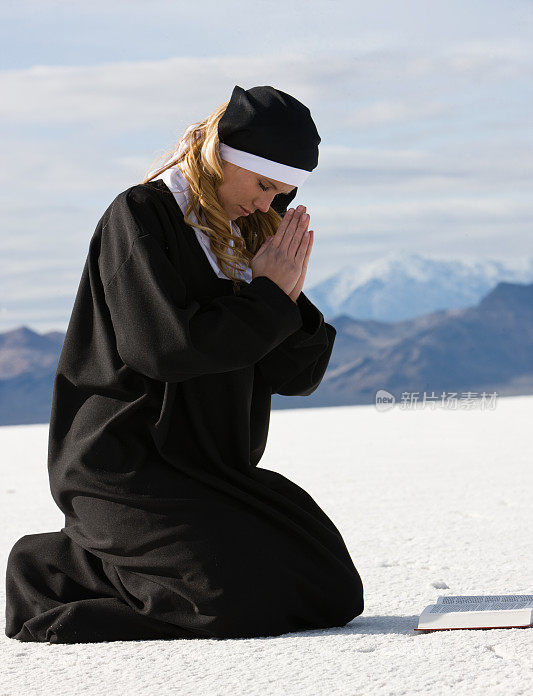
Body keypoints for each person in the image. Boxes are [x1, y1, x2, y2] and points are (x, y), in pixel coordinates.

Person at [4, 85, 364, 644]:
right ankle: (55, 567)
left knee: (331, 588)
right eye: (264, 185)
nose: (268, 204)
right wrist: (267, 297)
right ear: (222, 154)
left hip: (214, 469)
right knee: (226, 603)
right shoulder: (141, 214)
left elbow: (296, 376)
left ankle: (123, 560)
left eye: (282, 194)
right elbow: (164, 349)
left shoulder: (247, 238)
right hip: (125, 468)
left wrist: (284, 296)